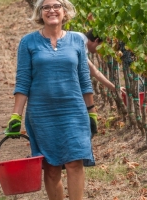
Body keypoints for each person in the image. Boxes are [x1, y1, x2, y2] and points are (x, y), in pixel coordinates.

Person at [6, 0, 97, 199]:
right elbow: (23, 82)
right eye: (46, 7)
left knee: (74, 163)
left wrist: (92, 112)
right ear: (40, 13)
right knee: (52, 166)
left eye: (56, 6)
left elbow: (84, 79)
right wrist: (15, 116)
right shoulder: (28, 42)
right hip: (41, 113)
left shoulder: (76, 41)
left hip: (74, 111)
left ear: (65, 12)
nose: (52, 10)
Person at [75, 29, 126, 95]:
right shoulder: (80, 41)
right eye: (99, 46)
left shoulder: (80, 40)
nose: (98, 50)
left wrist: (114, 88)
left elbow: (95, 72)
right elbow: (94, 72)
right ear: (96, 40)